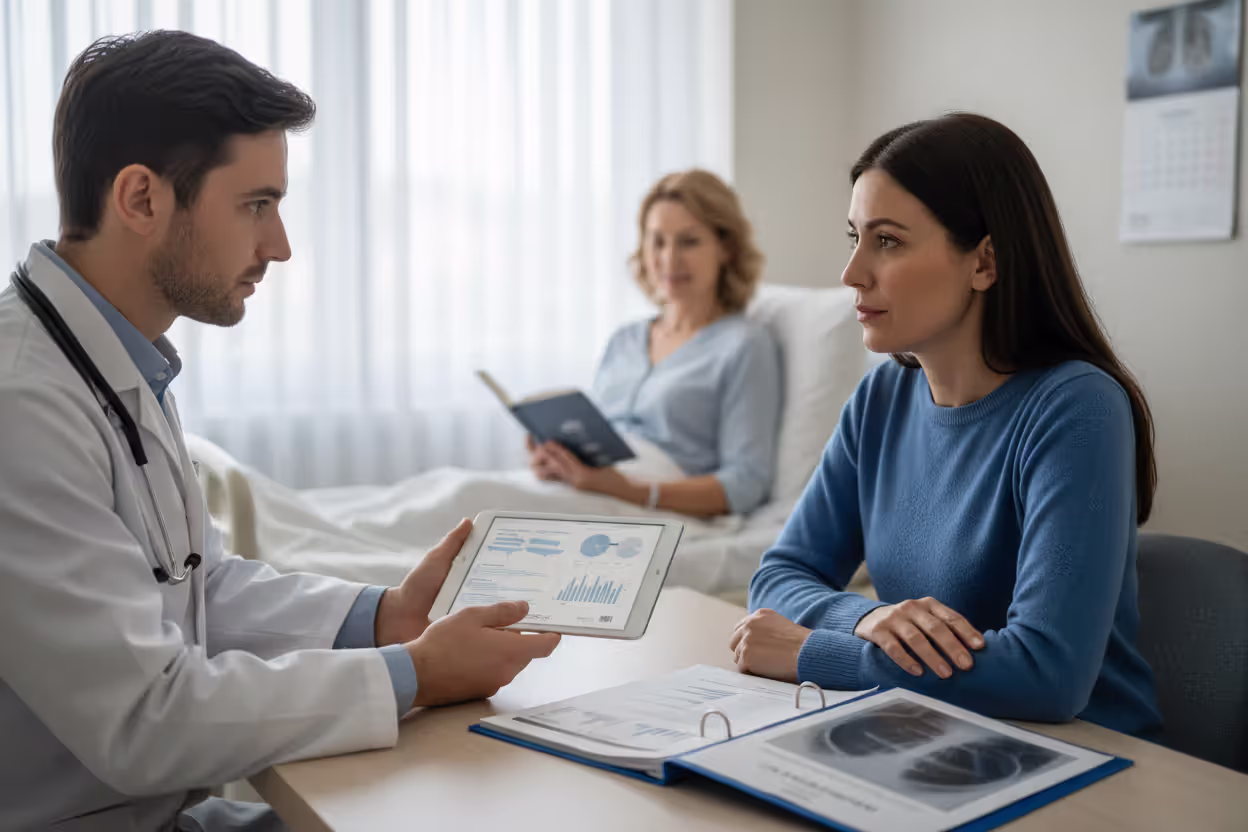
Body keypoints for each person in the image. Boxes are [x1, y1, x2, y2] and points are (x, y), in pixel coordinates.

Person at [0, 32, 559, 831]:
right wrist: (413, 674)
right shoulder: (21, 402)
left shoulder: (115, 361)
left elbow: (199, 589)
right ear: (142, 199)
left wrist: (386, 615)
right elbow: (144, 720)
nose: (281, 246)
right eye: (256, 205)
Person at [730, 113, 1163, 738]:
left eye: (887, 241)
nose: (852, 273)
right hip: (937, 735)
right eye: (854, 237)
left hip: (1089, 752)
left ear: (985, 262)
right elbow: (778, 577)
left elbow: (1047, 675)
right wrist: (862, 618)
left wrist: (813, 653)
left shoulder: (1078, 407)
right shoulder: (881, 398)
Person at [528, 169, 782, 518]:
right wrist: (560, 459)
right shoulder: (625, 340)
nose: (669, 259)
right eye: (657, 241)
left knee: (474, 501)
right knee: (469, 496)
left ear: (726, 248)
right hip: (591, 493)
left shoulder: (744, 346)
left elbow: (746, 482)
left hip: (650, 503)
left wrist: (629, 490)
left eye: (689, 241)